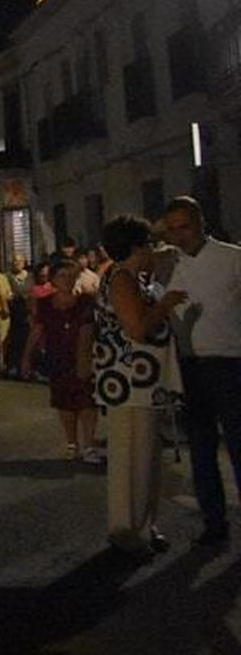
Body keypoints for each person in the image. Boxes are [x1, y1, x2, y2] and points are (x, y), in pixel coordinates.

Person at [95, 215, 184, 558]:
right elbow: (136, 328)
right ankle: (127, 531)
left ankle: (143, 525)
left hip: (140, 382)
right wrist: (164, 305)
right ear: (135, 248)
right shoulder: (122, 280)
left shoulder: (129, 277)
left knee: (145, 458)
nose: (153, 250)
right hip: (131, 381)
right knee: (133, 458)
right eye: (148, 244)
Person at [162, 196, 241, 546]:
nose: (180, 235)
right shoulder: (172, 263)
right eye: (173, 230)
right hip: (192, 365)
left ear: (201, 223)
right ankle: (214, 523)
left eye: (185, 227)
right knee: (202, 449)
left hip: (231, 362)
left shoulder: (232, 258)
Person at [20, 259, 100, 462]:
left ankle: (89, 445)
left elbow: (88, 329)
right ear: (53, 279)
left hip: (82, 355)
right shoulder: (45, 304)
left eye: (71, 275)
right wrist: (27, 356)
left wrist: (84, 358)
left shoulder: (86, 302)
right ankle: (72, 443)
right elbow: (38, 329)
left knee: (87, 402)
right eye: (62, 276)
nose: (67, 280)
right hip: (57, 355)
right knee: (64, 402)